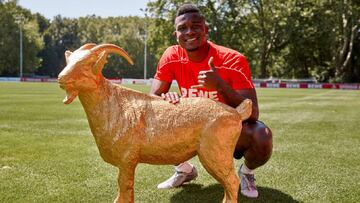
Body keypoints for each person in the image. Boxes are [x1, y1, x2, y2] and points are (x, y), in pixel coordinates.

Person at [149, 3, 272, 198]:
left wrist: (220, 85)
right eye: (182, 28)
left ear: (205, 30)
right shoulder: (171, 55)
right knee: (154, 121)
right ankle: (184, 170)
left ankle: (247, 173)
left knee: (261, 135)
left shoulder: (232, 59)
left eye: (196, 26)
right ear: (176, 34)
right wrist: (166, 98)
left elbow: (253, 112)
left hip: (225, 129)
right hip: (192, 131)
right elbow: (153, 100)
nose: (189, 32)